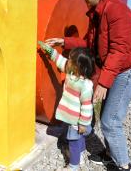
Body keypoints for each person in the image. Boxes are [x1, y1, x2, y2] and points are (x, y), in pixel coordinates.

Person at [45, 0, 131, 171]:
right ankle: (110, 154)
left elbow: (119, 50)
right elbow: (90, 44)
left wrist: (103, 83)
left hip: (127, 71)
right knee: (107, 117)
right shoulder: (98, 13)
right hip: (117, 68)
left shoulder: (116, 10)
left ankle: (125, 166)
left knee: (110, 121)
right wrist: (64, 41)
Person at [39, 41, 95, 171]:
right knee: (77, 138)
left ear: (78, 66)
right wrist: (49, 51)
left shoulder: (86, 85)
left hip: (77, 121)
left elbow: (87, 107)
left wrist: (83, 124)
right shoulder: (70, 72)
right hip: (71, 117)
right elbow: (59, 60)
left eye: (70, 59)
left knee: (73, 141)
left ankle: (73, 165)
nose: (67, 60)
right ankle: (80, 151)